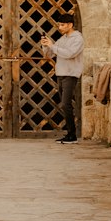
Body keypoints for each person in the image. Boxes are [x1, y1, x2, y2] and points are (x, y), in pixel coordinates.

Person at [44, 13, 84, 143]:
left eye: (62, 25)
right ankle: (70, 134)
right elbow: (49, 54)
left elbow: (70, 54)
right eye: (59, 25)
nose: (60, 27)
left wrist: (53, 46)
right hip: (61, 74)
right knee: (64, 104)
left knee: (66, 104)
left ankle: (72, 136)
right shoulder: (63, 39)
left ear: (70, 25)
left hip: (70, 74)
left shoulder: (77, 38)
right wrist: (46, 45)